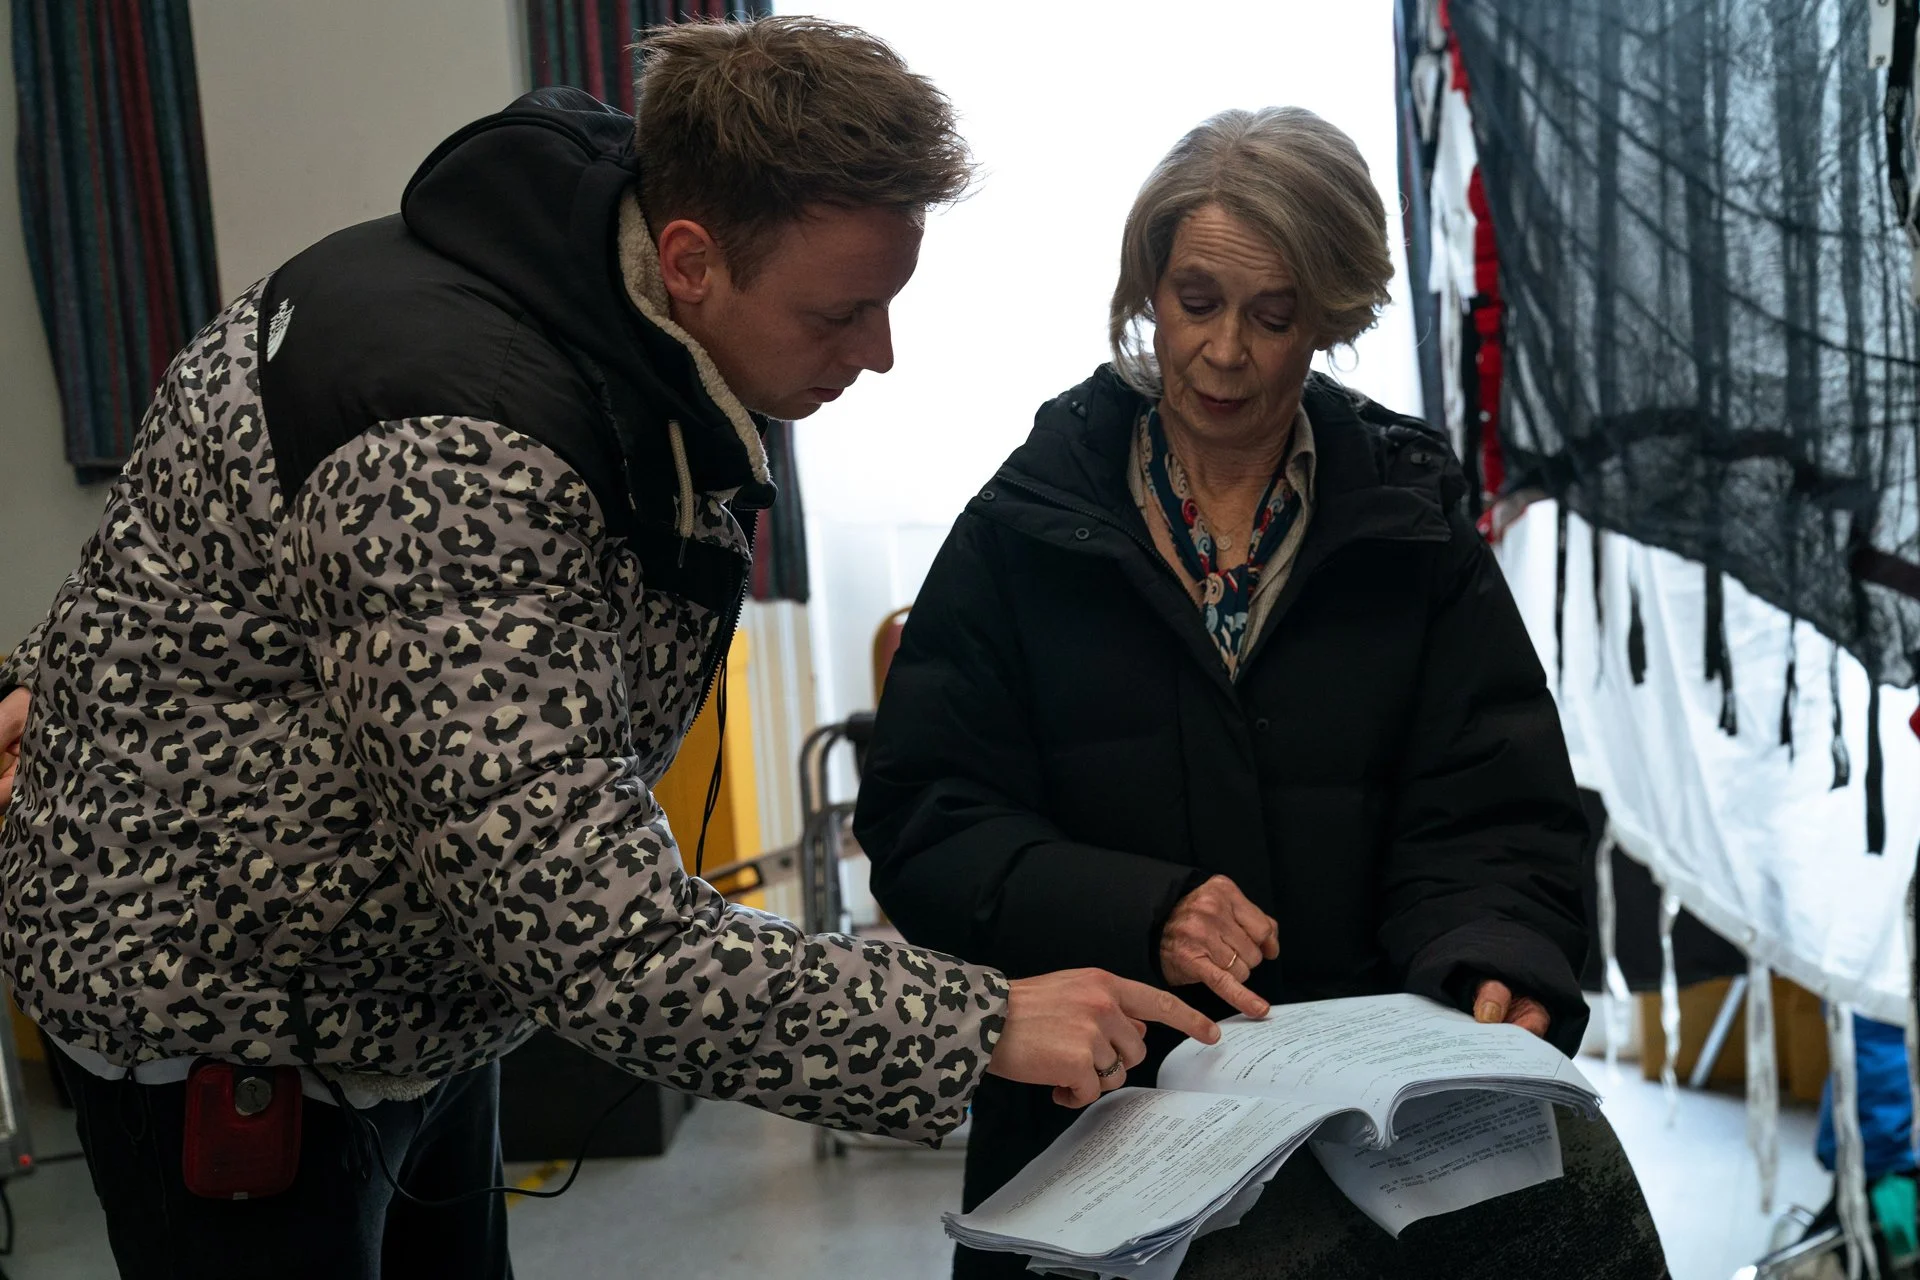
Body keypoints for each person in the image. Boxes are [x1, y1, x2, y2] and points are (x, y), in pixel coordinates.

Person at [0, 19, 1215, 1280]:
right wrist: (976, 1023)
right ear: (688, 259)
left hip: (410, 989)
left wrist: (58, 667)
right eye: (841, 312)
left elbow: (204, 537)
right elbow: (602, 939)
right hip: (239, 1026)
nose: (877, 351)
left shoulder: (582, 269)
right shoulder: (450, 450)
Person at [854, 106, 1668, 1277]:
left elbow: (1495, 806)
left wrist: (1494, 952)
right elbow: (929, 823)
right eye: (1195, 301)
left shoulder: (1409, 521)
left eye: (1273, 315)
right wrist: (1143, 906)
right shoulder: (1027, 525)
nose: (1225, 352)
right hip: (1106, 1108)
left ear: (1333, 315)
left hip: (1375, 1133)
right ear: (1147, 288)